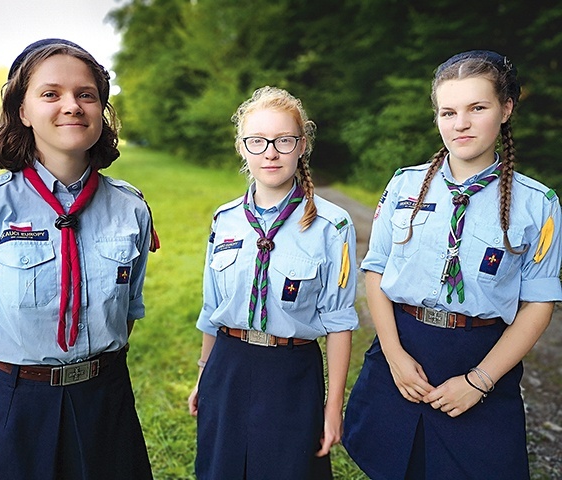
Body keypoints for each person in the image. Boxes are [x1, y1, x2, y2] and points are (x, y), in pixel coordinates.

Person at [0, 38, 159, 479]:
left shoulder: (131, 208)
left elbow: (127, 309)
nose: (72, 106)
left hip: (106, 399)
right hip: (18, 403)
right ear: (23, 111)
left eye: (86, 94)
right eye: (50, 93)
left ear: (102, 110)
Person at [342, 50, 562, 479]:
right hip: (401, 353)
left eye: (476, 108)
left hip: (480, 359)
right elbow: (376, 271)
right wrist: (394, 356)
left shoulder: (539, 205)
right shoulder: (404, 184)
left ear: (506, 109)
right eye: (448, 111)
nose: (460, 123)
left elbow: (539, 304)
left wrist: (479, 381)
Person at [186, 86, 359, 479]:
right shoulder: (224, 220)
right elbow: (212, 310)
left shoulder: (332, 225)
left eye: (283, 140)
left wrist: (333, 408)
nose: (270, 152)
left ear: (302, 146)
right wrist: (203, 374)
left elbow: (340, 322)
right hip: (228, 368)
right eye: (257, 141)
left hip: (292, 373)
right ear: (241, 147)